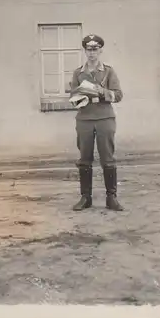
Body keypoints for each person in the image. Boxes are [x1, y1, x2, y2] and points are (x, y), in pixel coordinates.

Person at [69, 34, 124, 211]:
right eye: (88, 49)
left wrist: (101, 91)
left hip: (104, 118)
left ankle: (111, 197)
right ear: (84, 50)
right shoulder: (78, 73)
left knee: (107, 158)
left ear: (100, 50)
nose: (91, 53)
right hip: (85, 119)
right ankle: (86, 198)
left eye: (95, 49)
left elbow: (118, 95)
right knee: (84, 158)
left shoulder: (108, 71)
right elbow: (73, 98)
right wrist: (81, 98)